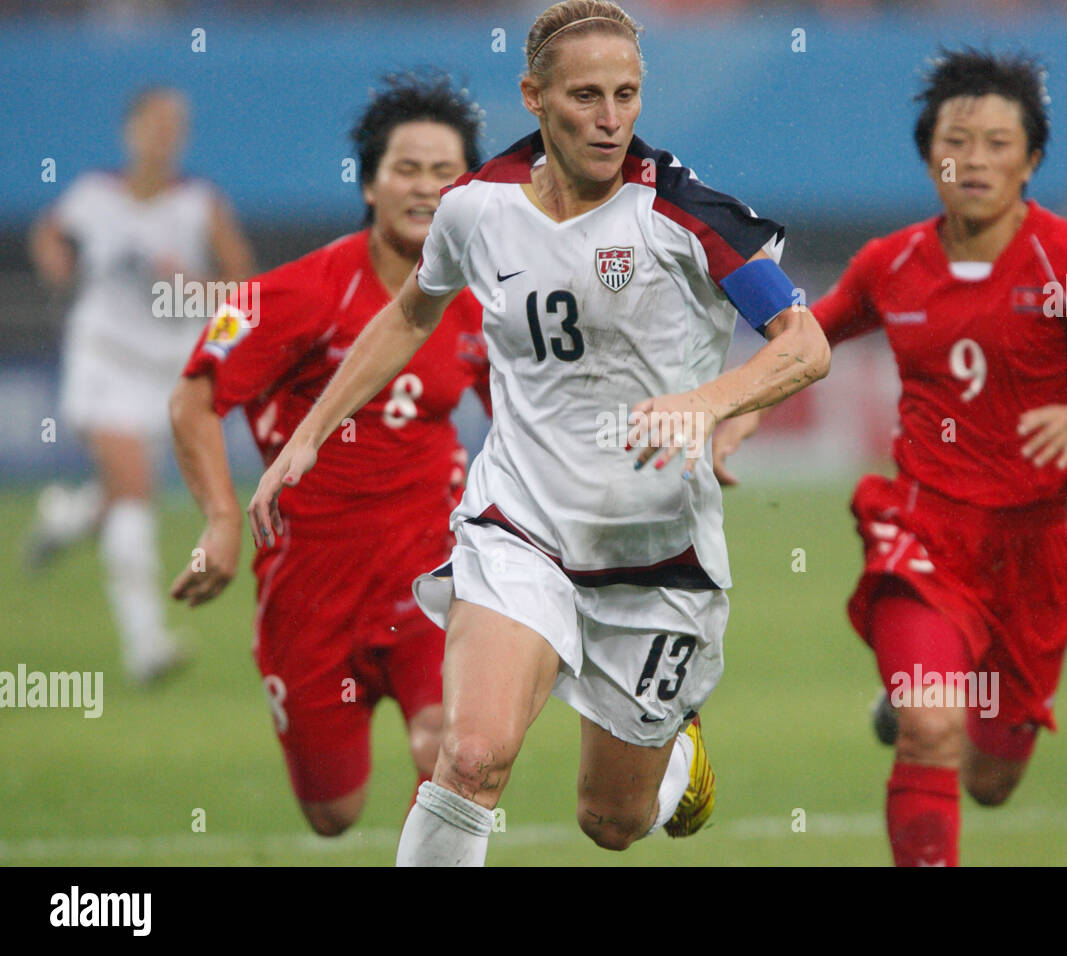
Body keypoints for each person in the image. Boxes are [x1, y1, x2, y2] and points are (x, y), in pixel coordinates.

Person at [247, 0, 830, 866]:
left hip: (654, 552)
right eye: (586, 96)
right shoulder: (476, 208)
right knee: (472, 753)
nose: (609, 120)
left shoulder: (681, 213)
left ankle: (673, 756)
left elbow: (805, 344)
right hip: (521, 526)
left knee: (612, 822)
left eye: (626, 95)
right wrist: (310, 433)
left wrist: (706, 404)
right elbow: (411, 312)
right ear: (533, 97)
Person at [772, 48, 1067, 866]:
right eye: (959, 141)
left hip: (1035, 552)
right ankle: (920, 699)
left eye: (999, 142)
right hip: (925, 531)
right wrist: (732, 412)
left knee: (990, 780)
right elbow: (805, 339)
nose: (977, 159)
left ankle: (923, 699)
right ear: (930, 157)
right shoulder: (890, 262)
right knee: (932, 730)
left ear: (1030, 160)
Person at [169, 73, 490, 836]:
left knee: (454, 747)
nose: (426, 188)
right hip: (309, 583)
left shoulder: (482, 294)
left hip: (428, 570)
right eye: (406, 169)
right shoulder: (291, 292)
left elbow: (519, 412)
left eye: (446, 173)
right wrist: (218, 520)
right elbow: (193, 396)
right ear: (370, 184)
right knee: (332, 813)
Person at [26, 87, 255, 684]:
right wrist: (58, 262)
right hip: (101, 356)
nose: (164, 135)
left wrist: (194, 286)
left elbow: (244, 294)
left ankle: (68, 518)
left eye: (175, 126)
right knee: (134, 489)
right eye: (154, 123)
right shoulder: (93, 195)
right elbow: (48, 233)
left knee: (123, 489)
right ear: (130, 131)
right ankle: (146, 644)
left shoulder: (199, 204)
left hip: (165, 372)